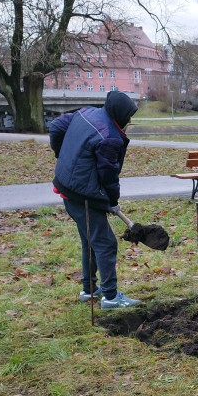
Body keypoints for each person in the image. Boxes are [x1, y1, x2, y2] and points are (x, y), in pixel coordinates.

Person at [49, 91, 139, 309]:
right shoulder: (109, 137)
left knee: (90, 241)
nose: (130, 120)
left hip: (68, 186)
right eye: (128, 116)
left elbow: (56, 127)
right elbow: (109, 176)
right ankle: (110, 297)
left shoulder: (87, 112)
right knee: (106, 243)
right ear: (119, 114)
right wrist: (112, 200)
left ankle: (89, 291)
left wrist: (63, 155)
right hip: (83, 194)